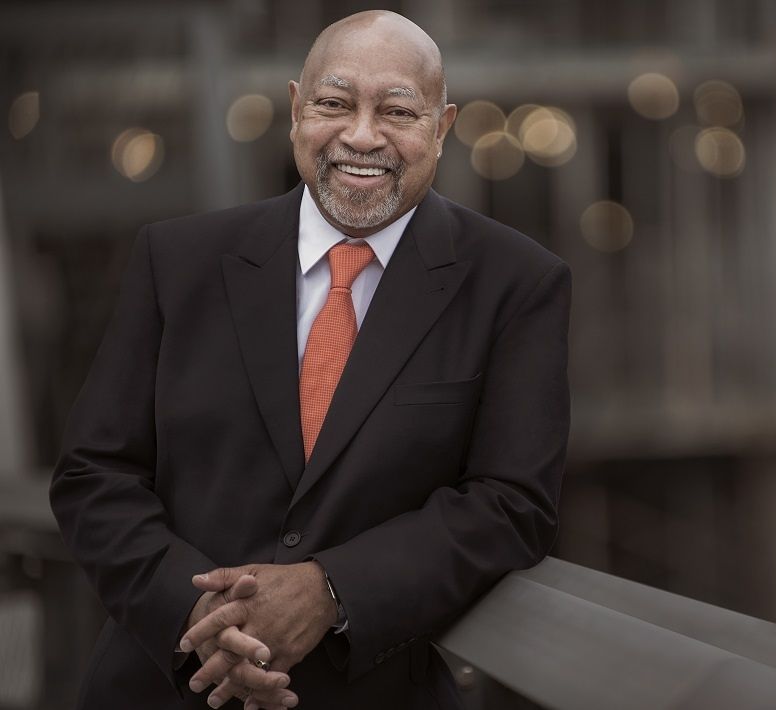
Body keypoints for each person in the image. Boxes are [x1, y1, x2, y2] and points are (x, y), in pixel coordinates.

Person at [50, 10, 570, 709]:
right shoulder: (175, 261)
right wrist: (199, 614)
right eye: (334, 103)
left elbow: (513, 504)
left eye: (397, 111)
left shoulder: (518, 283)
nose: (362, 135)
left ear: (441, 127)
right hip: (164, 686)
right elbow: (94, 472)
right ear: (296, 110)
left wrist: (330, 590)